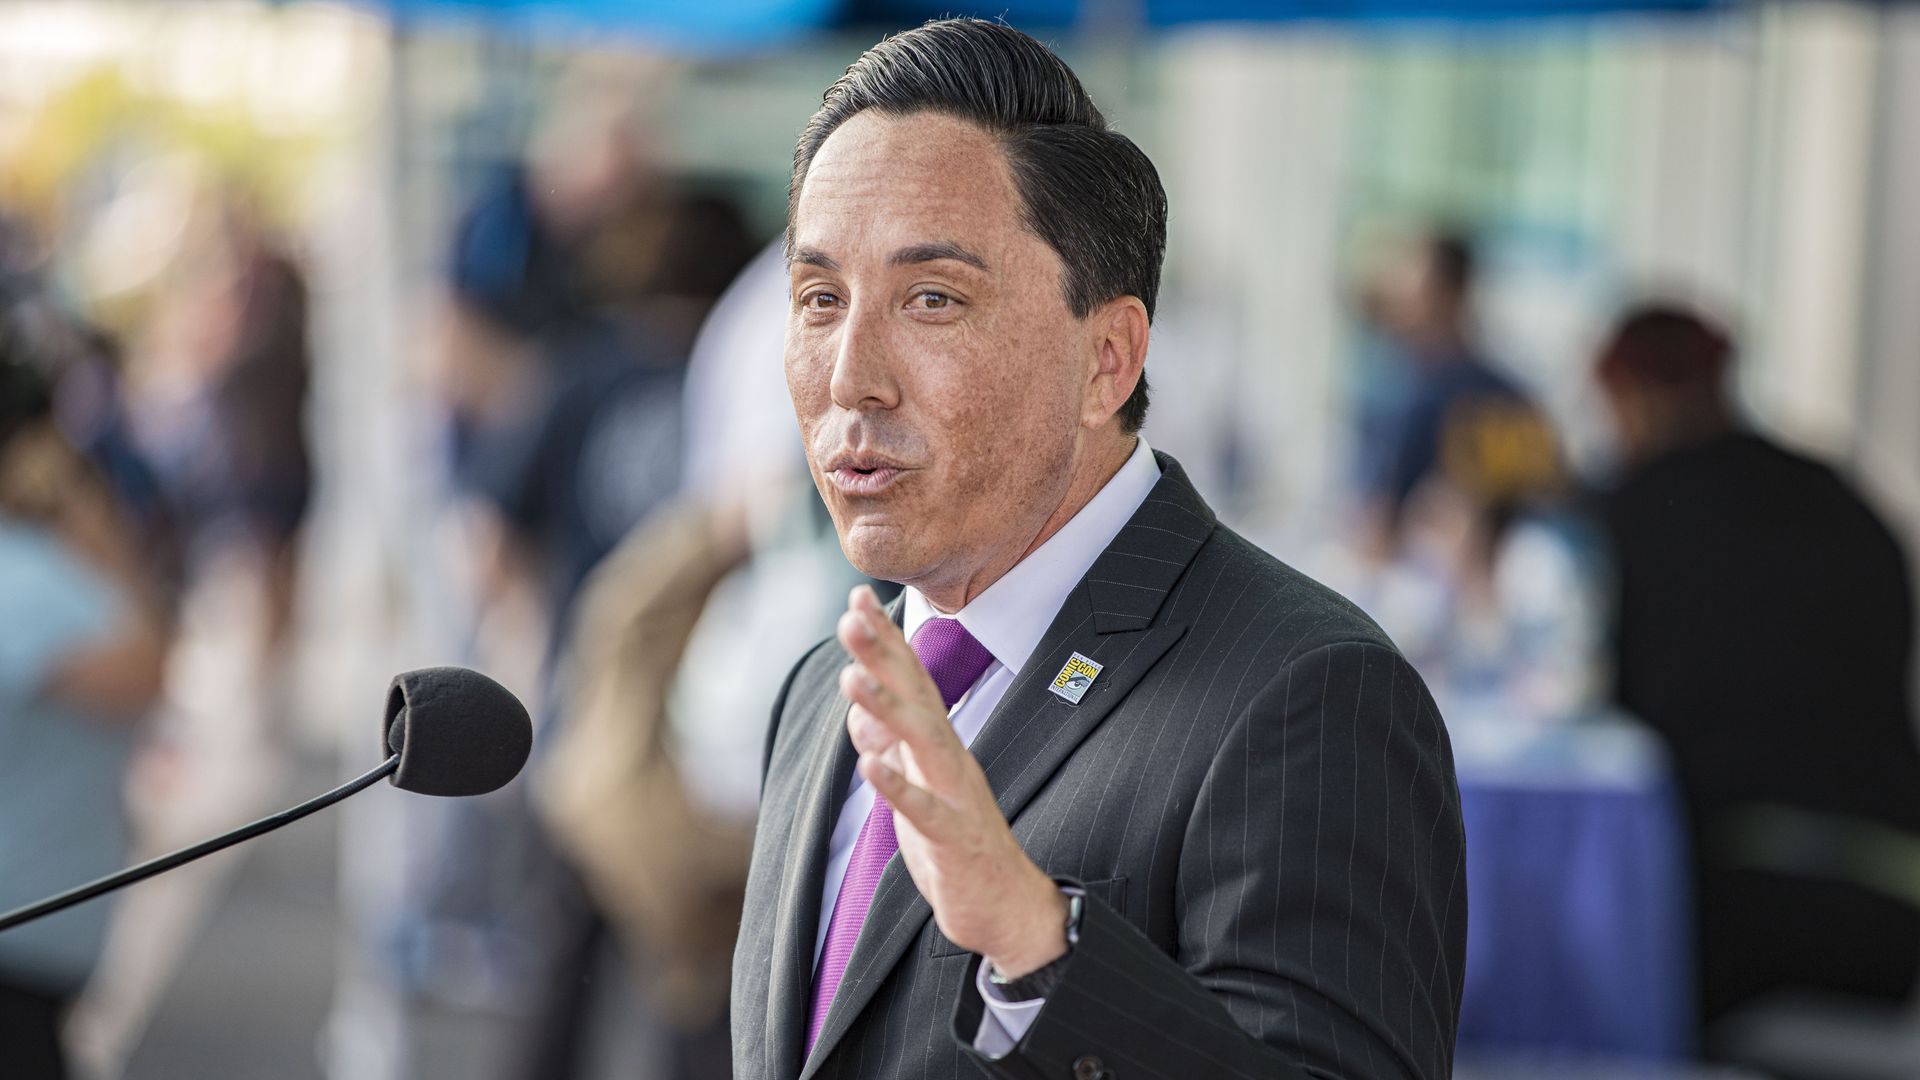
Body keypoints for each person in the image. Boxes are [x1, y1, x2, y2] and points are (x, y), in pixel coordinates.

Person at [732, 19, 1466, 1080]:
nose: (851, 376)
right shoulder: (821, 694)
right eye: (819, 300)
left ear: (1107, 359)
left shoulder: (1310, 693)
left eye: (932, 299)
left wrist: (1041, 948)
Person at [1594, 304, 1920, 1036]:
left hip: (1726, 908)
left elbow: (1609, 709)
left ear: (1631, 398)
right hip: (1893, 898)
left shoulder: (1634, 512)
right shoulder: (1841, 500)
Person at [0, 353, 167, 1079]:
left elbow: (143, 671)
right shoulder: (44, 586)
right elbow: (148, 668)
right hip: (36, 939)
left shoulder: (34, 584)